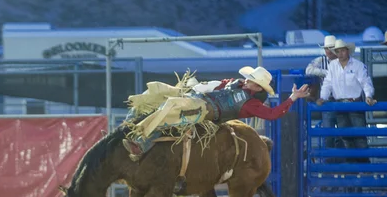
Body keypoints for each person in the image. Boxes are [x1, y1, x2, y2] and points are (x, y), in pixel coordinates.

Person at [123, 66, 310, 159]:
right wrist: (196, 86)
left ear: (258, 87)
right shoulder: (235, 83)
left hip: (205, 110)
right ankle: (127, 125)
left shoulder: (251, 104)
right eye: (249, 77)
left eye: (252, 80)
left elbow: (272, 114)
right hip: (196, 96)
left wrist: (292, 98)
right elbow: (215, 84)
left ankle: (141, 140)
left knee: (172, 105)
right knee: (156, 90)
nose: (247, 80)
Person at [317, 39, 377, 163]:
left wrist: (368, 95)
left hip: (354, 103)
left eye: (342, 50)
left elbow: (365, 82)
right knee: (346, 138)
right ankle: (353, 167)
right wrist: (323, 97)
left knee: (359, 137)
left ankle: (364, 166)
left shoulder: (357, 65)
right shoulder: (333, 66)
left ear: (347, 51)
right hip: (340, 104)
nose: (340, 53)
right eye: (338, 51)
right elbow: (328, 83)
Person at [305, 35, 344, 163]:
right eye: (326, 48)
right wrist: (327, 73)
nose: (328, 50)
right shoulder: (321, 60)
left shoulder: (344, 60)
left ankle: (339, 161)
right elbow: (309, 70)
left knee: (343, 133)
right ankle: (330, 163)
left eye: (331, 48)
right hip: (328, 102)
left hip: (342, 101)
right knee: (329, 133)